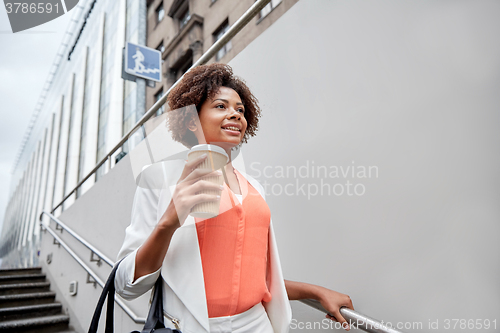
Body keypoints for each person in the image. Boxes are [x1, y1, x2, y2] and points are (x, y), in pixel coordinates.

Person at [115, 63, 354, 333]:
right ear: (192, 119)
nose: (235, 115)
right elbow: (125, 285)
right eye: (221, 106)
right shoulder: (158, 180)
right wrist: (168, 223)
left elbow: (257, 280)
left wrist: (317, 292)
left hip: (258, 325)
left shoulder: (255, 188)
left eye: (240, 110)